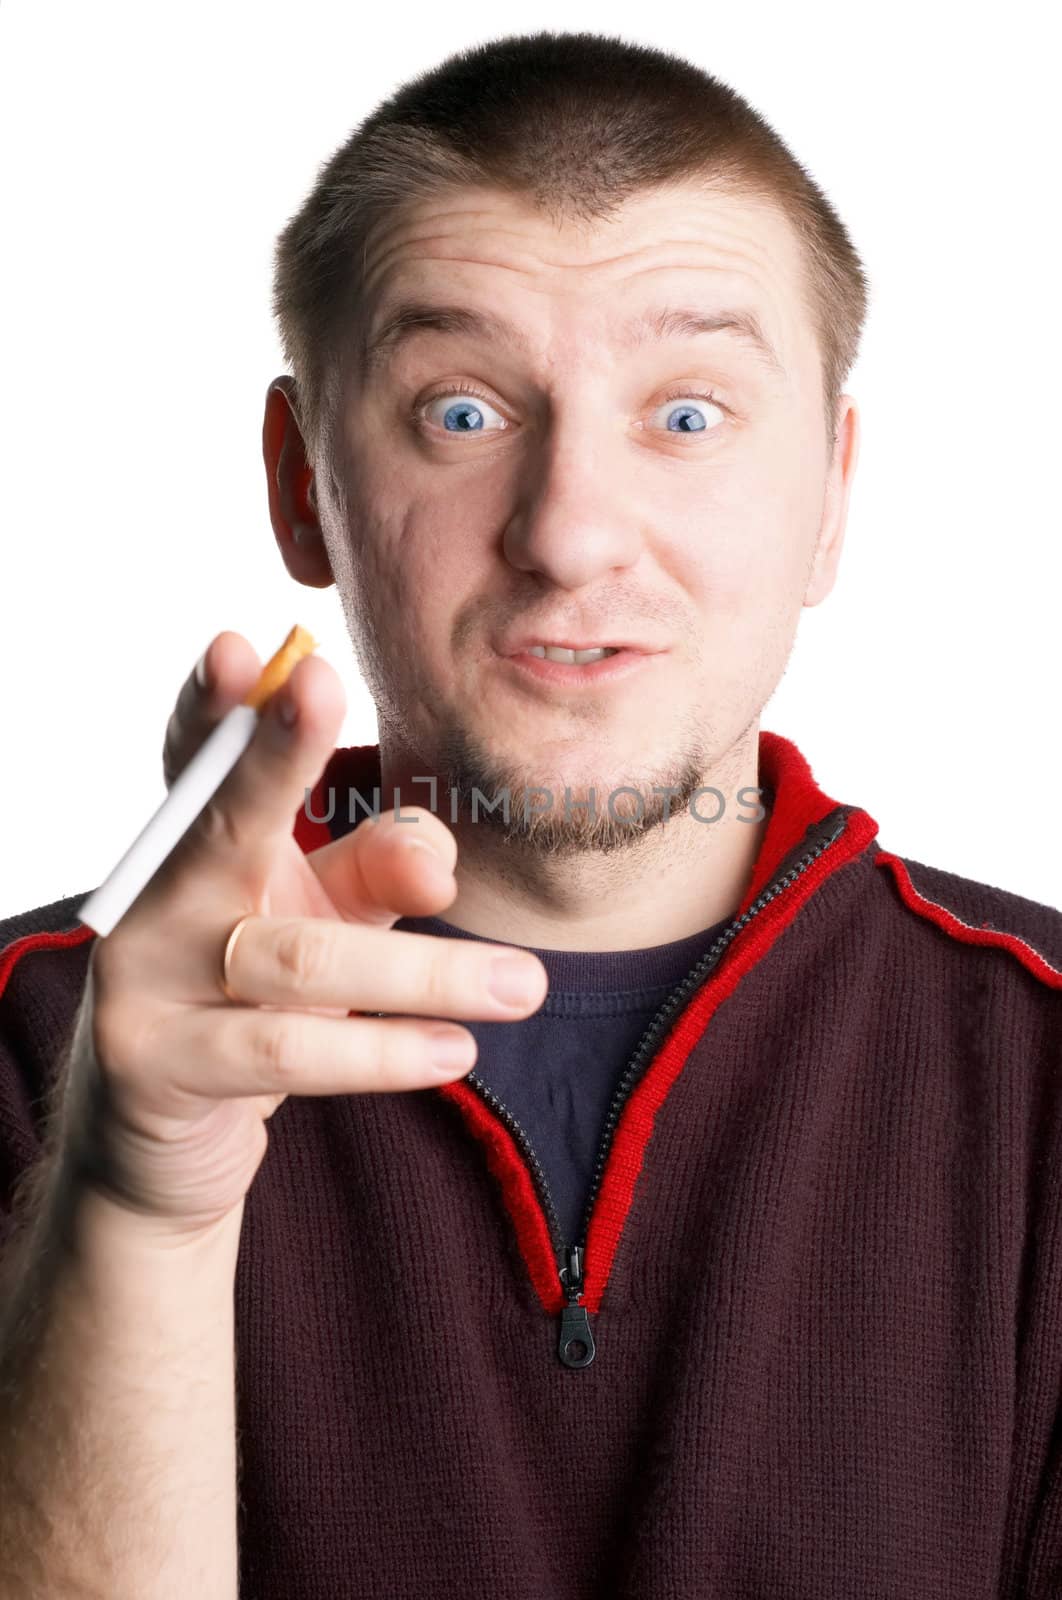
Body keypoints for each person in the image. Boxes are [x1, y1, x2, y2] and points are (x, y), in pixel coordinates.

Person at [1, 27, 1060, 1599]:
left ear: (831, 496)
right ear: (304, 485)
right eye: (462, 414)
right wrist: (137, 1202)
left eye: (687, 414)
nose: (567, 535)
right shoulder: (29, 1052)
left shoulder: (1044, 1071)